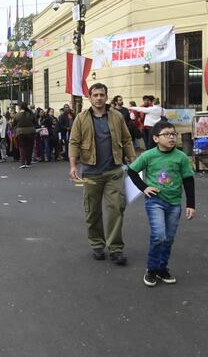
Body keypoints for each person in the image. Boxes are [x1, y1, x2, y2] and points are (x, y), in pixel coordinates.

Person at [69, 83, 136, 265]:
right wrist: (73, 165)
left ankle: (115, 248)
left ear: (107, 97)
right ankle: (97, 244)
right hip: (90, 173)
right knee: (92, 211)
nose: (98, 98)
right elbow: (74, 142)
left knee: (116, 209)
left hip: (113, 171)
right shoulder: (81, 118)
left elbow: (127, 139)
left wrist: (133, 160)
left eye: (101, 95)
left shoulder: (116, 117)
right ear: (89, 98)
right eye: (95, 95)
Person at [126, 121, 196, 287]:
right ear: (156, 138)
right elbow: (132, 171)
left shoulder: (181, 157)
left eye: (173, 134)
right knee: (159, 235)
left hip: (174, 203)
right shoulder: (148, 155)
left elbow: (188, 180)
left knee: (168, 238)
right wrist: (144, 188)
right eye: (167, 134)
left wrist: (191, 205)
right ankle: (151, 269)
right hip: (155, 200)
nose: (171, 137)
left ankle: (162, 268)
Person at [12, 102, 36, 169]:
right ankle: (28, 162)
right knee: (29, 147)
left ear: (20, 107)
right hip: (31, 132)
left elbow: (13, 124)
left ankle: (23, 162)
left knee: (22, 147)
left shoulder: (17, 115)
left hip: (21, 132)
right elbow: (35, 122)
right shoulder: (31, 114)